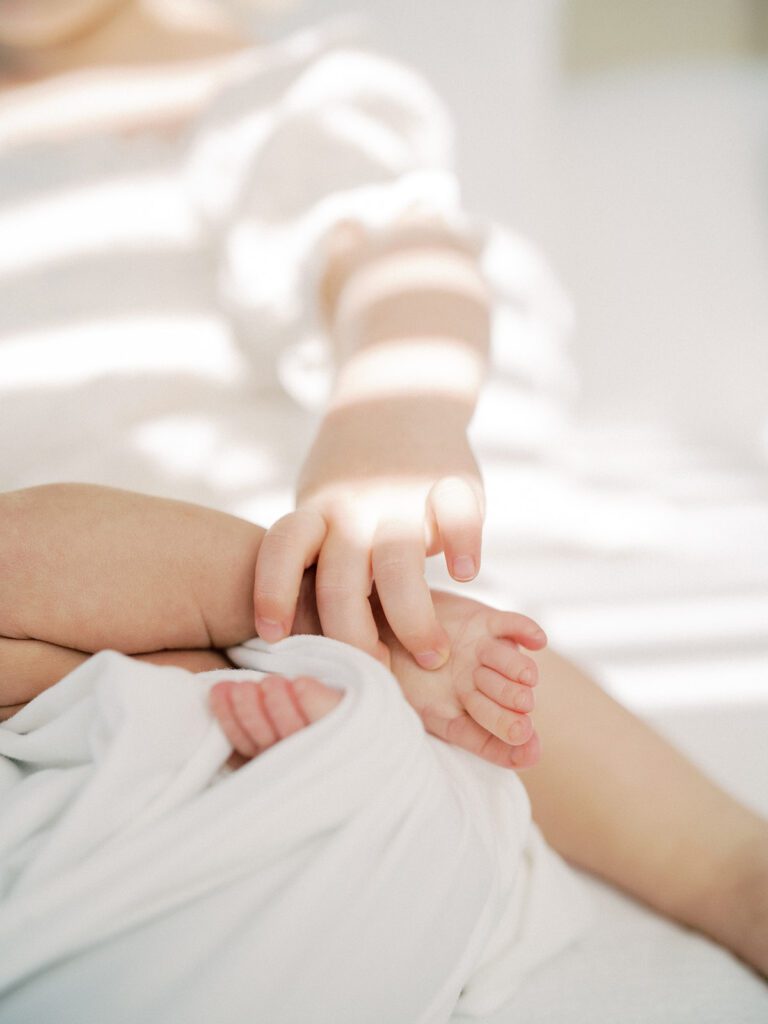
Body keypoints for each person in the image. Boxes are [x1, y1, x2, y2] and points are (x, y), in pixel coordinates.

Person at [0, 0, 766, 983]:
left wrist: (389, 420)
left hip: (274, 578)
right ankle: (195, 695)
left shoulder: (259, 97)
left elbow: (396, 257)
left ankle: (736, 866)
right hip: (40, 645)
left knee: (439, 646)